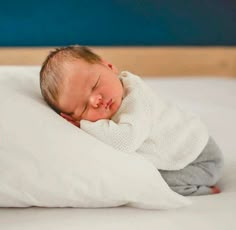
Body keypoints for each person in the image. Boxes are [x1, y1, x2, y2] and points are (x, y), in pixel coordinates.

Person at [40, 45, 224, 196]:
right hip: (187, 155)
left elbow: (126, 141)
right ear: (69, 118)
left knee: (147, 181)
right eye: (83, 108)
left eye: (95, 85)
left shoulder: (137, 98)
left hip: (200, 158)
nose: (95, 100)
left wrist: (85, 123)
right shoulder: (114, 102)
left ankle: (197, 190)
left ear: (109, 67)